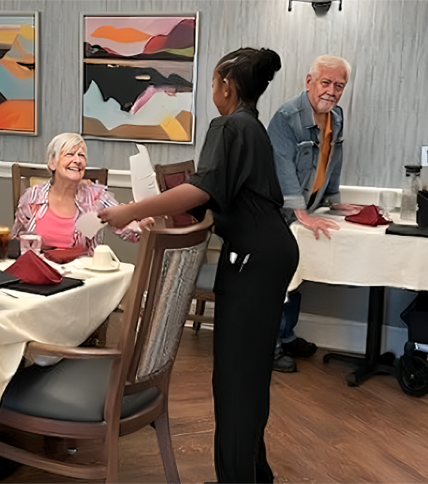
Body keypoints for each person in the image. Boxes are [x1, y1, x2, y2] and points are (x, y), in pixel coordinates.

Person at [100, 47, 296, 484]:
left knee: (235, 379)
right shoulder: (251, 127)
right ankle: (251, 474)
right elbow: (219, 197)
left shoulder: (227, 126)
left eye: (212, 83)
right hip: (268, 253)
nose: (211, 91)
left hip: (253, 259)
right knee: (248, 374)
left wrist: (129, 210)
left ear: (227, 84)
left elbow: (200, 191)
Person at [267, 54, 359, 373]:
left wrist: (333, 199)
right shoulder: (286, 117)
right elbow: (281, 167)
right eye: (326, 83)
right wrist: (300, 212)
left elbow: (335, 157)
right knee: (278, 279)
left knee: (299, 270)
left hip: (307, 207)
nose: (331, 91)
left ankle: (287, 335)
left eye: (339, 86)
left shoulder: (337, 117)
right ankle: (271, 346)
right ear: (309, 82)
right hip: (275, 212)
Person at [5, 132, 150, 258]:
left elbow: (126, 229)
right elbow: (16, 238)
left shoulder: (96, 197)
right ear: (52, 163)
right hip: (39, 269)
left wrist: (141, 226)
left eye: (81, 155)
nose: (77, 160)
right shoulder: (32, 197)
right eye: (70, 154)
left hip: (82, 277)